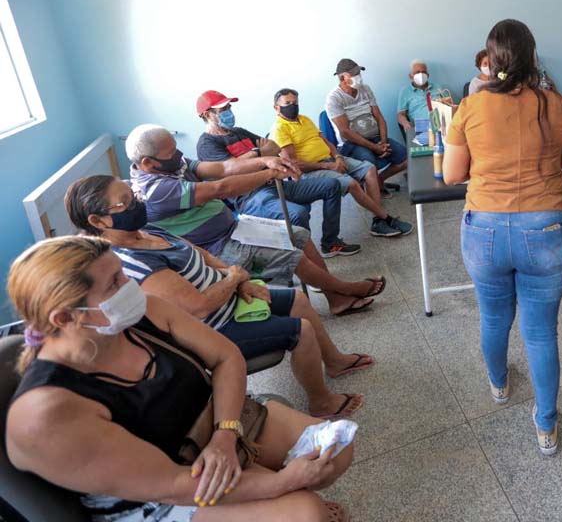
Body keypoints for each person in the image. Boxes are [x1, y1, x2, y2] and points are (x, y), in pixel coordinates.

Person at [6, 236, 356, 521]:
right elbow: (171, 484)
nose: (130, 286)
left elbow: (226, 357)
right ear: (66, 317)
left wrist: (224, 435)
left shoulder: (142, 313)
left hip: (210, 429)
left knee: (334, 450)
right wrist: (282, 483)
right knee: (305, 512)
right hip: (161, 495)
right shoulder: (47, 414)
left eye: (122, 273)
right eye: (115, 283)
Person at [65, 174, 377, 417]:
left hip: (229, 297)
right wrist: (234, 278)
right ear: (98, 221)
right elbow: (198, 308)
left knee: (296, 300)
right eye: (125, 202)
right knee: (302, 330)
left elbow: (198, 252)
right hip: (213, 328)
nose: (136, 202)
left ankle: (334, 362)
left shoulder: (147, 231)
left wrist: (238, 280)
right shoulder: (130, 262)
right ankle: (320, 402)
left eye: (133, 195)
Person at [443, 19, 562, 456]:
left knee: (494, 316)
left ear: (492, 60)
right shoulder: (556, 104)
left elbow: (451, 175)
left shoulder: (471, 106)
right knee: (541, 332)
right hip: (547, 229)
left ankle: (500, 387)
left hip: (484, 227)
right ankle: (545, 425)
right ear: (532, 57)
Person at [125, 124, 380, 312]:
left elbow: (223, 168)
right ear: (148, 162)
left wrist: (267, 161)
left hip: (233, 229)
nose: (179, 154)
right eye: (171, 151)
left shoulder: (172, 164)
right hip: (216, 247)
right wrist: (268, 175)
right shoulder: (155, 190)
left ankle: (335, 298)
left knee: (298, 234)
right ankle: (344, 289)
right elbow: (219, 188)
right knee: (291, 255)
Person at [194, 90, 360, 258]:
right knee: (297, 214)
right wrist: (259, 154)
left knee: (332, 185)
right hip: (251, 197)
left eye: (229, 107)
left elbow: (274, 147)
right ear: (208, 114)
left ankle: (330, 243)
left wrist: (250, 159)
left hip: (275, 183)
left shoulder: (239, 132)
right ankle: (306, 263)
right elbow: (231, 168)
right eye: (223, 110)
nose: (229, 112)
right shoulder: (207, 144)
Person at [271, 88, 413, 239]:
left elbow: (326, 141)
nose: (292, 105)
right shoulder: (279, 129)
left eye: (295, 102)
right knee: (352, 184)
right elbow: (295, 164)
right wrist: (328, 166)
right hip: (311, 171)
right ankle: (386, 218)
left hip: (330, 160)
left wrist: (338, 158)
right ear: (277, 107)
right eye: (287, 103)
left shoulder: (304, 119)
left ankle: (377, 220)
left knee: (370, 169)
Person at [326, 58, 408, 189]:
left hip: (375, 138)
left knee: (405, 158)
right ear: (342, 78)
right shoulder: (334, 98)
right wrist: (375, 148)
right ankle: (373, 196)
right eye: (354, 75)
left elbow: (379, 117)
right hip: (352, 143)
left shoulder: (366, 89)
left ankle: (379, 181)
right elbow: (345, 132)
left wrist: (383, 142)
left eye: (359, 73)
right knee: (370, 165)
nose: (359, 78)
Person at [397, 59, 454, 135]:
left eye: (423, 72)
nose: (421, 75)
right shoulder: (406, 91)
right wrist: (405, 123)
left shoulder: (437, 87)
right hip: (421, 128)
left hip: (441, 126)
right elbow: (401, 114)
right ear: (411, 76)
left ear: (428, 75)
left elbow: (449, 106)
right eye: (417, 72)